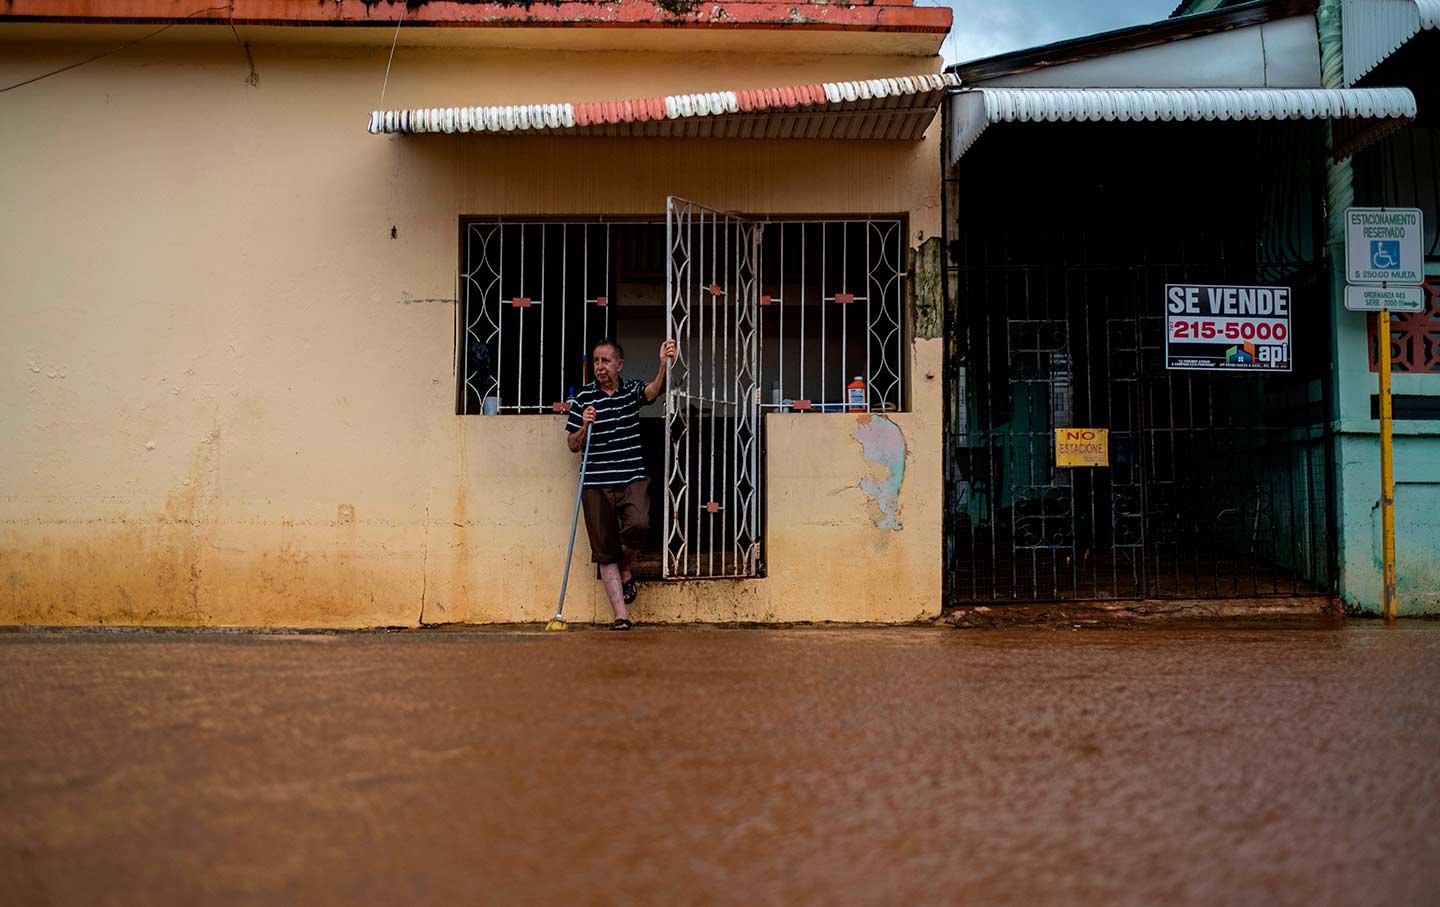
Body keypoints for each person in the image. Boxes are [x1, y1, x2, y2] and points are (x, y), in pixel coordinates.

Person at [565, 337, 677, 630]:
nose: (600, 367)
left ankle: (626, 566)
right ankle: (621, 616)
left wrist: (663, 365)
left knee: (640, 525)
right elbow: (573, 445)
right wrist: (585, 425)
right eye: (596, 361)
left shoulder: (631, 391)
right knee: (604, 548)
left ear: (619, 364)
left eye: (605, 361)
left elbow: (654, 392)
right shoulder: (583, 398)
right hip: (595, 482)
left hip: (631, 477)